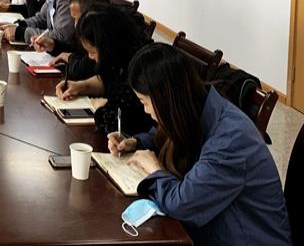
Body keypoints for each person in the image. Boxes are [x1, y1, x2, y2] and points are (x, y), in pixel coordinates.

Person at [109, 43, 291, 246]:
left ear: (166, 98)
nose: (146, 110)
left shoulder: (230, 139)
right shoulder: (198, 106)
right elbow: (176, 132)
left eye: (145, 102)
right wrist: (137, 142)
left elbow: (182, 205)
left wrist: (155, 170)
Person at [56, 3, 154, 135]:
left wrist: (100, 107)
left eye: (92, 52)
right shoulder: (121, 55)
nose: (90, 57)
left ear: (108, 46)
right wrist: (80, 86)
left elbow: (113, 121)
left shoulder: (140, 66)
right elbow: (109, 79)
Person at [34, 0, 108, 80]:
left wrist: (70, 58)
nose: (75, 24)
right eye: (73, 18)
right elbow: (76, 49)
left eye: (78, 19)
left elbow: (83, 70)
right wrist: (54, 45)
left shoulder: (103, 37)